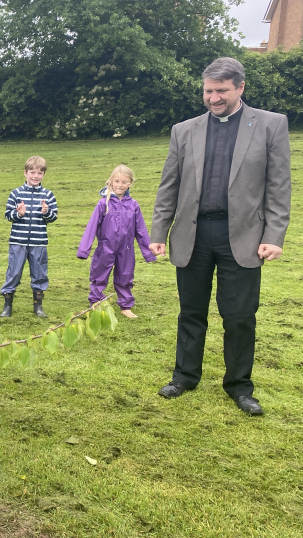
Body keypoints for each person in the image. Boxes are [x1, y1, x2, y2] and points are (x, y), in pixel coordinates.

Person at [150, 57, 291, 416]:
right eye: (208, 91)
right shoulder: (184, 130)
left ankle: (240, 387)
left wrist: (274, 235)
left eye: (221, 91)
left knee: (240, 315)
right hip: (193, 234)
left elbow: (278, 187)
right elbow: (169, 186)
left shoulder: (271, 125)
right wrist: (159, 231)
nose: (213, 98)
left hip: (243, 235)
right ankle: (184, 377)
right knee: (191, 311)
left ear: (240, 88)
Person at [77, 165, 157, 318]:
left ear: (130, 183)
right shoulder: (103, 204)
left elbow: (141, 230)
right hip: (105, 247)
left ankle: (126, 306)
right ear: (111, 182)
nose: (120, 185)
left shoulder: (133, 205)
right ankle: (96, 304)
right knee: (99, 275)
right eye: (117, 181)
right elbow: (91, 227)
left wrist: (149, 252)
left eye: (125, 182)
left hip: (126, 249)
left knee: (125, 276)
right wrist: (83, 250)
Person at [0, 156, 57, 318]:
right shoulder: (16, 194)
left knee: (39, 274)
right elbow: (8, 216)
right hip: (18, 241)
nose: (35, 176)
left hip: (39, 243)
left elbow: (53, 218)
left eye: (40, 173)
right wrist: (18, 213)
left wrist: (46, 212)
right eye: (32, 172)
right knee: (14, 272)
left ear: (43, 175)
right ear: (25, 173)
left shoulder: (48, 195)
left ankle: (38, 306)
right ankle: (7, 306)